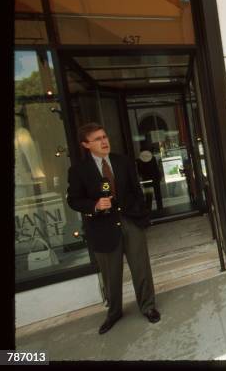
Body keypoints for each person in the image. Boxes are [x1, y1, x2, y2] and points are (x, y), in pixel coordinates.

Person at [67, 122, 161, 335]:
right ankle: (114, 312)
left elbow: (137, 190)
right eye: (97, 139)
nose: (104, 141)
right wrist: (95, 205)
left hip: (130, 222)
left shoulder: (123, 161)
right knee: (111, 274)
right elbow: (73, 200)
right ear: (86, 144)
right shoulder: (78, 171)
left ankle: (148, 306)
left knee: (141, 268)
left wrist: (140, 215)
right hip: (102, 228)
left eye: (104, 136)